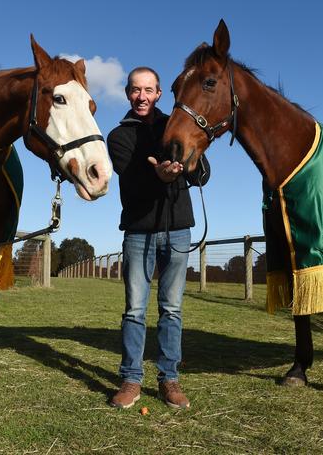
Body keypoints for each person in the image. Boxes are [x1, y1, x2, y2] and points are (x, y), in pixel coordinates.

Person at [106, 66, 210, 409]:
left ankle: (170, 380)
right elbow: (133, 182)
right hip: (138, 231)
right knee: (135, 310)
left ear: (159, 93)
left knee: (173, 309)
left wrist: (192, 163)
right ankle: (131, 379)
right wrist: (162, 177)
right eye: (136, 90)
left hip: (179, 229)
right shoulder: (118, 136)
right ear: (127, 94)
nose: (142, 96)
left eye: (148, 90)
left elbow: (204, 175)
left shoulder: (177, 124)